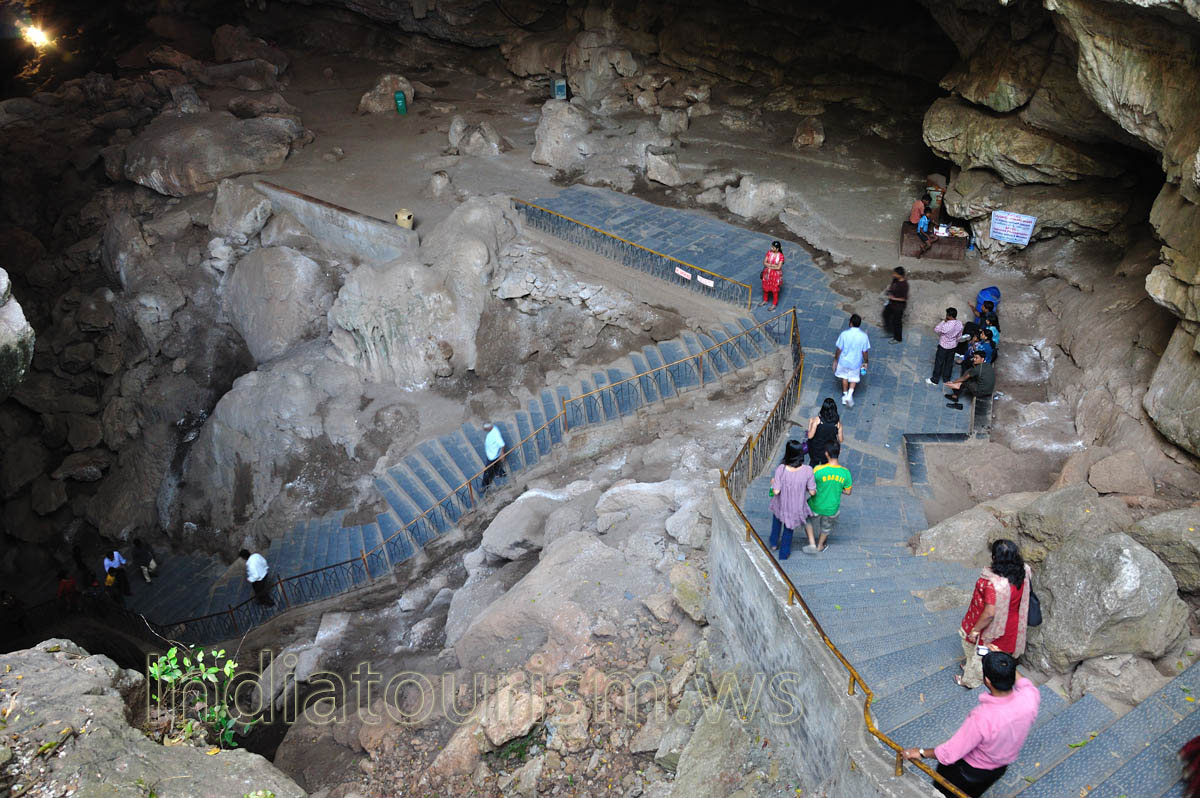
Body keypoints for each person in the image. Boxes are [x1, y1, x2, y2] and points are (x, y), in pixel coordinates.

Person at [901, 651, 1040, 797]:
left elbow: (950, 753)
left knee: (945, 792)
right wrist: (1004, 665)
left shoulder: (983, 717)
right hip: (998, 769)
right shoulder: (1030, 697)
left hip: (967, 772)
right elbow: (1024, 683)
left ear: (987, 680)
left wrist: (921, 752)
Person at [956, 539, 1032, 688]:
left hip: (992, 628)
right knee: (997, 655)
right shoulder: (1024, 571)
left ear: (996, 558)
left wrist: (975, 630)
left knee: (982, 655)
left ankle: (970, 681)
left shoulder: (993, 584)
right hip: (1012, 624)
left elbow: (990, 612)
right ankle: (974, 669)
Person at [768, 440, 817, 560]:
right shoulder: (807, 470)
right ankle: (784, 554)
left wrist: (774, 483)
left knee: (777, 522)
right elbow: (812, 491)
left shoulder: (781, 469)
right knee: (789, 530)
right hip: (796, 507)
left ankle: (773, 544)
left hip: (780, 503)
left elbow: (776, 491)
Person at [805, 442, 852, 554]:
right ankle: (820, 545)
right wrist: (837, 487)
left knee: (806, 520)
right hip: (832, 507)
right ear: (839, 452)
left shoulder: (818, 469)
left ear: (826, 454)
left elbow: (810, 486)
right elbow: (848, 491)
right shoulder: (845, 473)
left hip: (816, 505)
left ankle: (811, 543)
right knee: (826, 527)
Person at [833, 314, 870, 408]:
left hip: (843, 361)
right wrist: (866, 362)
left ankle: (845, 395)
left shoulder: (844, 334)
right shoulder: (864, 336)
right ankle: (850, 394)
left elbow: (839, 349)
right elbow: (864, 351)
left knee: (844, 377)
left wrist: (836, 359)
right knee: (853, 378)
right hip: (856, 362)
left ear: (850, 323)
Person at [927, 307, 963, 386]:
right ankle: (946, 379)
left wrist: (943, 321)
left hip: (943, 346)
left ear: (949, 316)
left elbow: (936, 329)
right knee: (949, 363)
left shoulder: (946, 325)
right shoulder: (959, 323)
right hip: (953, 346)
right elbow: (959, 336)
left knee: (939, 362)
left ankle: (935, 379)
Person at [806, 398, 844, 467]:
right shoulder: (837, 424)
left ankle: (811, 475)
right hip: (828, 450)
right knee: (825, 464)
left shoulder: (818, 420)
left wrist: (810, 424)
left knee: (813, 463)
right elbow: (841, 440)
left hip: (816, 447)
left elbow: (810, 436)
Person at [882, 267, 908, 343]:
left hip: (899, 307)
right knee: (885, 314)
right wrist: (889, 291)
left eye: (895, 273)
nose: (893, 274)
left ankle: (898, 338)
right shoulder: (895, 280)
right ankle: (891, 332)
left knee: (897, 322)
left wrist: (893, 298)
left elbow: (904, 299)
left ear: (900, 275)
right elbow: (892, 287)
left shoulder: (904, 285)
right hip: (891, 304)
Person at [480, 422, 507, 491]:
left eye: (485, 429)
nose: (485, 430)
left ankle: (484, 485)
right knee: (496, 464)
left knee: (487, 471)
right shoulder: (493, 428)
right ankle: (500, 473)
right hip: (491, 453)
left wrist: (502, 454)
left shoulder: (496, 434)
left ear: (489, 427)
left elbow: (502, 444)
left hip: (493, 455)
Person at [760, 241, 784, 308]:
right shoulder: (769, 253)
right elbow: (764, 262)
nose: (771, 248)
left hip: (775, 275)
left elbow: (779, 267)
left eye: (773, 247)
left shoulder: (781, 256)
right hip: (767, 273)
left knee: (775, 290)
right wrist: (773, 266)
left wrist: (769, 266)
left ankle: (774, 303)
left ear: (777, 249)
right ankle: (765, 300)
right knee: (765, 287)